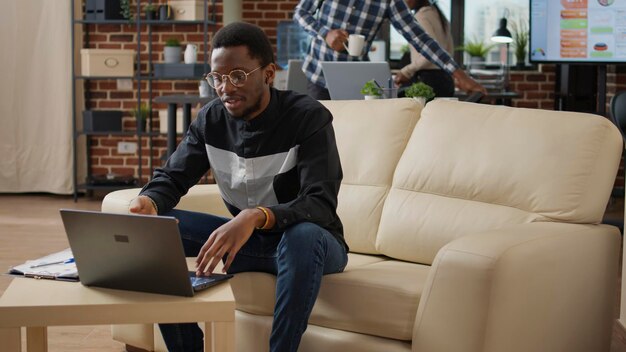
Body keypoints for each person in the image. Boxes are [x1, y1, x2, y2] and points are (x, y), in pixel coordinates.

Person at [129, 21, 348, 352]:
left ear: (269, 74)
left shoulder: (308, 117)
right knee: (152, 232)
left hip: (314, 242)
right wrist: (149, 202)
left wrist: (255, 216)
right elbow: (173, 177)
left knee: (303, 234)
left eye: (238, 76)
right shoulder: (210, 120)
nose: (225, 87)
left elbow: (319, 203)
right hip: (248, 243)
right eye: (217, 77)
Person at [294, 0, 485, 100]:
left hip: (355, 85)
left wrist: (458, 74)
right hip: (318, 77)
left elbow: (420, 38)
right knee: (319, 140)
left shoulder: (389, 1)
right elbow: (300, 13)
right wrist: (325, 33)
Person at [394, 0, 455, 97]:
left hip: (428, 80)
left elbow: (429, 54)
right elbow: (449, 50)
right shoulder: (439, 16)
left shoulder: (421, 16)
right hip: (446, 79)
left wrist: (406, 71)